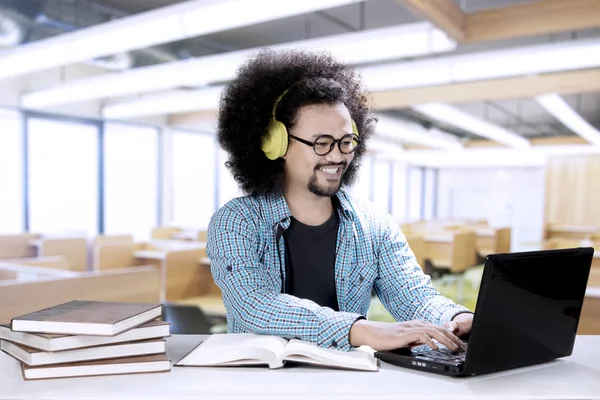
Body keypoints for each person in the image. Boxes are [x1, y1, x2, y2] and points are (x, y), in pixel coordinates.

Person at [206, 49, 473, 352]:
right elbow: (253, 306)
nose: (337, 156)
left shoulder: (374, 224)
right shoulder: (236, 222)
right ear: (274, 143)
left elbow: (412, 296)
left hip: (344, 383)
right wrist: (359, 331)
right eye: (321, 143)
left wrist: (456, 317)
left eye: (346, 142)